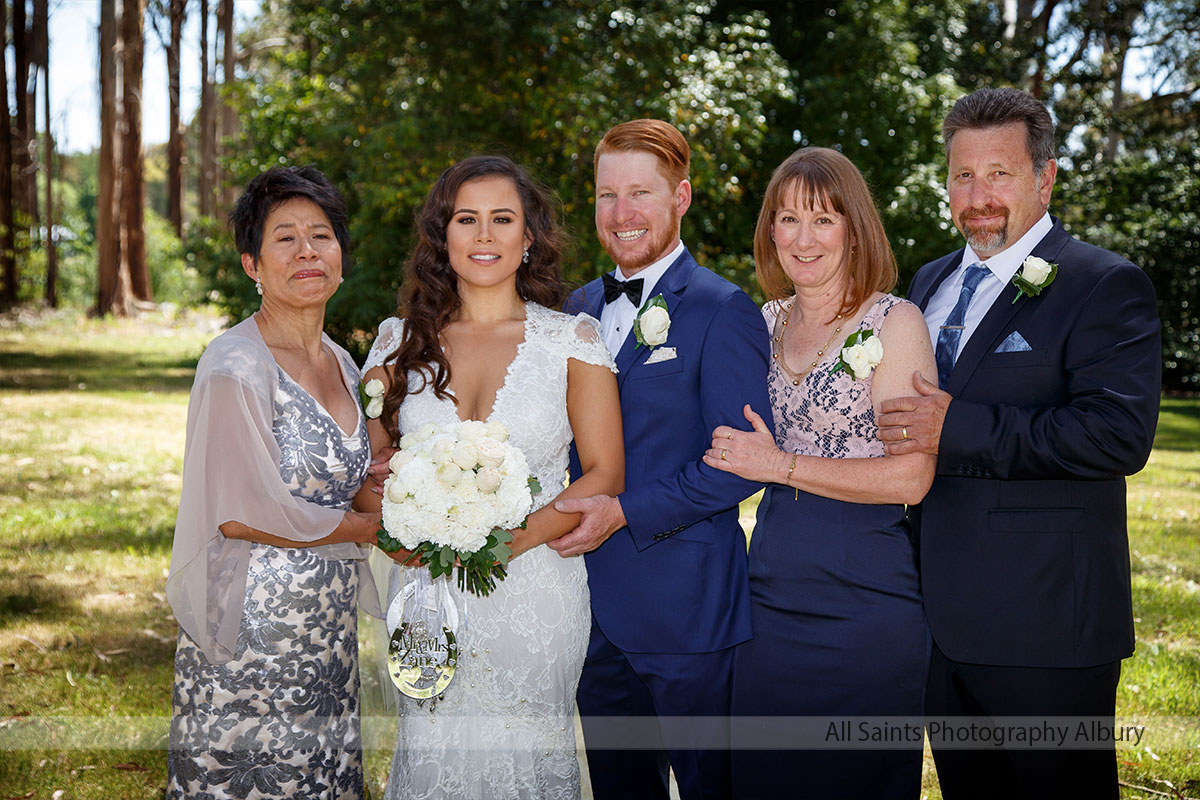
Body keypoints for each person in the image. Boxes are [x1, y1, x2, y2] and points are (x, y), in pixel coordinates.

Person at [876, 87, 1161, 799]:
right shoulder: (929, 282)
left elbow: (1117, 435)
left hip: (1046, 629)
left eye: (999, 174)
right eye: (962, 176)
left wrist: (957, 428)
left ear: (1045, 177)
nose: (978, 196)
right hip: (937, 621)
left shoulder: (1104, 284)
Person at [357, 154, 624, 800]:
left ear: (528, 236)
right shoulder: (396, 343)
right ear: (441, 236)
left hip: (535, 589)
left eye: (502, 219)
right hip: (425, 592)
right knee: (434, 745)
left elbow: (605, 471)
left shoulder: (573, 339)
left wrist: (506, 543)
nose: (483, 236)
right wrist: (394, 529)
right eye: (465, 220)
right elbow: (369, 474)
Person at [702, 146, 936, 799]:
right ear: (769, 231)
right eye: (787, 219)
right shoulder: (758, 325)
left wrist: (781, 464)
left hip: (866, 606)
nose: (803, 239)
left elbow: (911, 478)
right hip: (770, 603)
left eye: (824, 220)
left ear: (854, 228)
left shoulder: (895, 322)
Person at [553, 118, 772, 800]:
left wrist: (623, 512)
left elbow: (733, 464)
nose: (622, 214)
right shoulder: (575, 308)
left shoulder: (723, 309)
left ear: (680, 196)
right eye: (606, 195)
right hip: (587, 613)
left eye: (640, 194)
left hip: (688, 615)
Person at [165, 166, 383, 799]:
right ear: (252, 265)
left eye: (322, 235)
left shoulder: (343, 362)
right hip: (255, 636)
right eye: (284, 238)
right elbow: (239, 511)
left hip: (327, 634)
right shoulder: (233, 365)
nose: (308, 251)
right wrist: (372, 529)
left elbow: (349, 479)